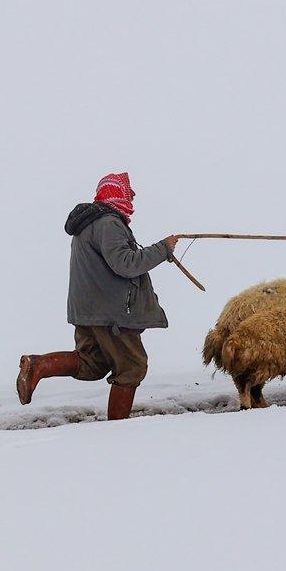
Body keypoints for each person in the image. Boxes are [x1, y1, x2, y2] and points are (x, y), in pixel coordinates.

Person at [16, 172, 178, 420]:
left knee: (93, 363)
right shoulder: (108, 223)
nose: (132, 197)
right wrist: (163, 249)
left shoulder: (88, 225)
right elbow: (125, 264)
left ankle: (39, 365)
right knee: (132, 367)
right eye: (127, 192)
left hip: (88, 311)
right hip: (111, 314)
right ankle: (117, 430)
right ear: (115, 194)